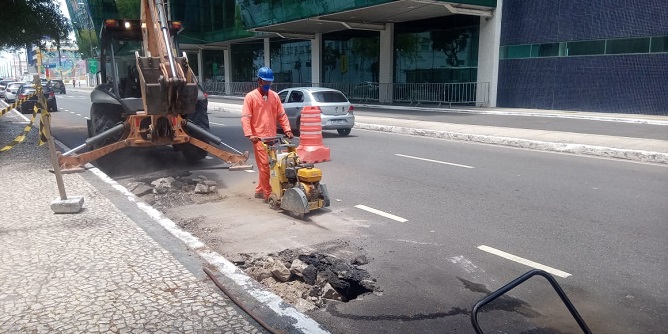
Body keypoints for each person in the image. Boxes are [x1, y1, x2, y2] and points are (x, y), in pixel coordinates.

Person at [241, 67, 293, 201]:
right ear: (259, 81)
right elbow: (246, 117)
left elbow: (281, 114)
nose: (267, 85)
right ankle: (268, 194)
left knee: (272, 165)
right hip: (258, 138)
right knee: (264, 165)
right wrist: (249, 134)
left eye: (269, 83)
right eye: (265, 82)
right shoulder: (251, 97)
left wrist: (287, 129)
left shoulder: (274, 96)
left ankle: (259, 189)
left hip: (272, 137)